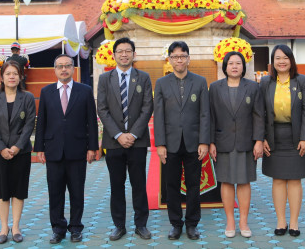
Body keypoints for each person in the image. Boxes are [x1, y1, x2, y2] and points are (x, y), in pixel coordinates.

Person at [34, 54, 99, 244]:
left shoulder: (84, 91)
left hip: (78, 149)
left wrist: (92, 147)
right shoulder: (46, 92)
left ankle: (76, 228)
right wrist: (40, 147)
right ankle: (58, 228)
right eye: (60, 66)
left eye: (67, 66)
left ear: (73, 69)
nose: (64, 69)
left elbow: (91, 122)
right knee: (55, 192)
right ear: (55, 70)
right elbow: (42, 122)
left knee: (77, 192)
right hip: (53, 150)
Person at [96, 37, 154, 241]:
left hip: (137, 142)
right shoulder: (105, 79)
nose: (124, 54)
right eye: (120, 51)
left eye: (128, 51)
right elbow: (102, 109)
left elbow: (148, 107)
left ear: (133, 54)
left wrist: (133, 134)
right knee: (116, 185)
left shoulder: (144, 77)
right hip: (113, 142)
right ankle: (119, 225)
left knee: (139, 184)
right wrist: (119, 135)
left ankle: (141, 225)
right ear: (114, 55)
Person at [154, 41, 210, 240]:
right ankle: (176, 224)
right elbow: (158, 115)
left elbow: (205, 114)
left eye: (183, 56)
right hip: (170, 144)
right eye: (175, 56)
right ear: (169, 59)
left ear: (189, 58)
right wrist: (160, 144)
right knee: (172, 185)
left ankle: (192, 224)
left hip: (194, 143)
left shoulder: (200, 82)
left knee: (194, 184)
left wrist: (204, 141)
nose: (179, 60)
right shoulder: (161, 83)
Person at [208, 51, 264, 238]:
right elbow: (210, 117)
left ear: (243, 66)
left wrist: (258, 140)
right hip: (222, 141)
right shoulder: (215, 88)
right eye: (230, 63)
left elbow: (258, 115)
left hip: (246, 142)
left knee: (244, 181)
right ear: (225, 66)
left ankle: (243, 221)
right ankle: (230, 220)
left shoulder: (253, 88)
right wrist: (211, 142)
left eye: (238, 63)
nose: (234, 66)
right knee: (226, 181)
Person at [260, 45, 305, 237]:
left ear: (291, 60)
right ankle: (281, 221)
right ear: (272, 62)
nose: (281, 61)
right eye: (277, 58)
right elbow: (260, 113)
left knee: (294, 180)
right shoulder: (265, 82)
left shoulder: (301, 81)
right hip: (273, 137)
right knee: (278, 180)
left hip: (296, 137)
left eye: (285, 58)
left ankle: (294, 222)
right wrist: (262, 138)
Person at [0, 60, 36, 244]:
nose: (12, 76)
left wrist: (16, 147)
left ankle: (15, 227)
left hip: (20, 153)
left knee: (18, 191)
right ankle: (3, 227)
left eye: (15, 73)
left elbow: (30, 124)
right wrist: (1, 148)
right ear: (2, 77)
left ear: (21, 76)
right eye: (8, 74)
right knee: (2, 191)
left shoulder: (28, 97)